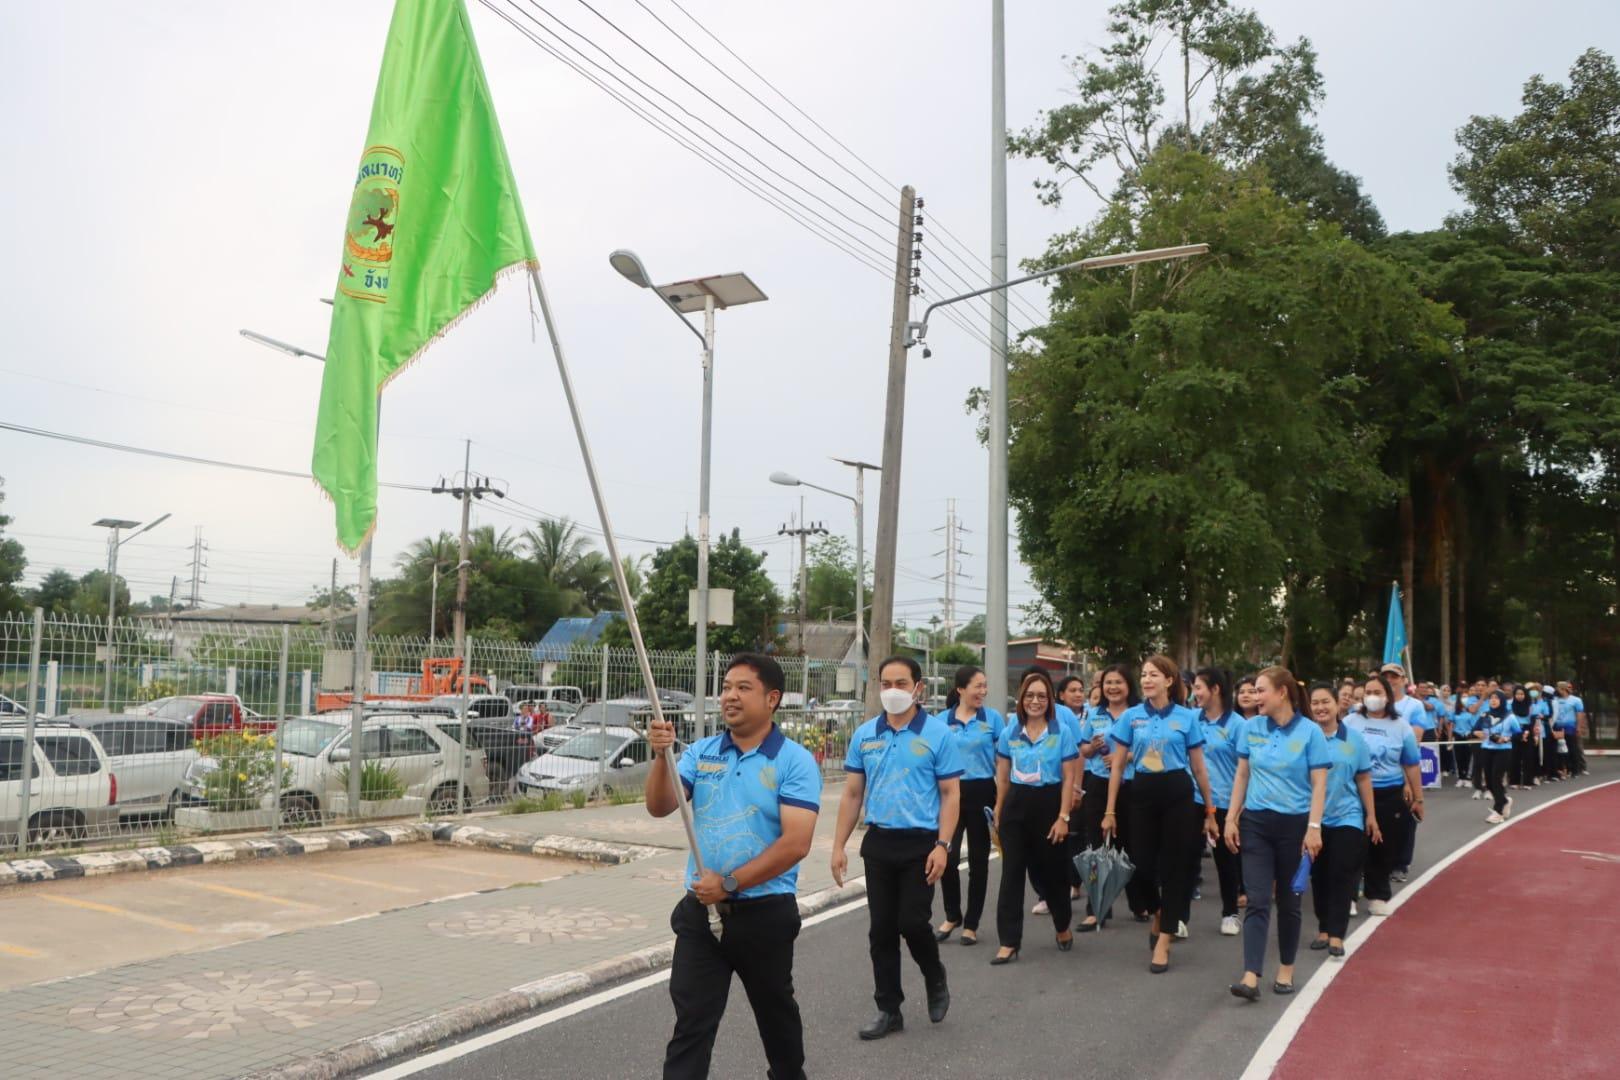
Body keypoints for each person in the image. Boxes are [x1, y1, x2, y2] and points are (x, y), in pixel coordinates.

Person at [645, 654, 821, 1080]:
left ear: (772, 699)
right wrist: (661, 758)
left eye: (743, 688)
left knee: (775, 1016)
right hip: (700, 914)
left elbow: (796, 843)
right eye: (726, 687)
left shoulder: (794, 761)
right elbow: (660, 805)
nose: (730, 696)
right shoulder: (702, 752)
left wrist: (729, 883)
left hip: (765, 914)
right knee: (692, 1022)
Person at [832, 656, 962, 1040]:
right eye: (886, 683)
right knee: (881, 931)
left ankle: (934, 975)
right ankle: (889, 1009)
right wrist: (838, 846)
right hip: (880, 842)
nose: (893, 691)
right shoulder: (865, 735)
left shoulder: (938, 734)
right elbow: (852, 793)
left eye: (901, 683)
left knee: (912, 923)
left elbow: (951, 794)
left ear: (918, 687)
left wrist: (943, 845)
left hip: (922, 843)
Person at [1102, 656, 1217, 974]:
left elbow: (1199, 768)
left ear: (1169, 680)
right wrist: (1110, 810)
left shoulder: (1187, 717)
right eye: (1143, 675)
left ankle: (1165, 939)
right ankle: (1158, 911)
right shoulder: (1131, 717)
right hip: (1141, 793)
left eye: (1153, 674)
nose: (1147, 680)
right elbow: (1117, 766)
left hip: (1178, 794)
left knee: (1176, 868)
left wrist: (1210, 811)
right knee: (1139, 865)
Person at [1224, 667, 1330, 1001]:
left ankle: (1286, 967)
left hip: (1295, 826)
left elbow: (1319, 784)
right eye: (1254, 691)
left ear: (1282, 692)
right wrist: (1230, 818)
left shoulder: (1311, 732)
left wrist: (1314, 828)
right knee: (1257, 899)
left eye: (1261, 690)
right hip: (1256, 823)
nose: (1255, 697)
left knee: (1289, 901)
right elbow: (1242, 775)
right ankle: (1250, 975)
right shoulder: (1251, 728)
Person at [989, 669, 1079, 964]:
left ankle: (1062, 925)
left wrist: (1063, 817)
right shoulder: (1010, 733)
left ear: (1050, 700)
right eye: (1030, 695)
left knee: (1053, 874)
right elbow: (1003, 777)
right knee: (1011, 875)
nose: (1035, 701)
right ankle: (1009, 941)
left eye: (1041, 696)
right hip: (1016, 806)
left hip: (1050, 805)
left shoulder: (1061, 733)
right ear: (1021, 699)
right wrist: (999, 812)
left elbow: (1068, 778)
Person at [1305, 682, 1379, 959]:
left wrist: (1371, 815)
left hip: (1348, 816)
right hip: (1313, 819)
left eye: (1326, 701)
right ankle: (1323, 927)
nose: (1320, 707)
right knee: (1319, 875)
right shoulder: (1306, 737)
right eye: (1315, 703)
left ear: (1338, 704)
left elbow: (1363, 778)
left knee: (1341, 873)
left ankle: (1336, 933)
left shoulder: (1354, 739)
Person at [934, 666, 1003, 947]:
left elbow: (1003, 763)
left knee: (978, 860)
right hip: (950, 794)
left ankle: (972, 924)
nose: (983, 691)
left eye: (985, 686)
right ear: (961, 689)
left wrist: (1001, 803)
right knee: (947, 858)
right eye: (978, 686)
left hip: (982, 792)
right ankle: (953, 915)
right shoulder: (940, 721)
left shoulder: (993, 719)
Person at [1343, 675, 1422, 915]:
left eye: (1377, 692)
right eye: (1368, 692)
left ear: (1388, 696)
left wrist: (1418, 798)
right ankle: (1348, 896)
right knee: (1352, 845)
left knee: (1383, 846)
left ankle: (1378, 895)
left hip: (1389, 794)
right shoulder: (1350, 722)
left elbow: (1411, 763)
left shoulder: (1401, 726)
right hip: (1354, 793)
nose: (1372, 697)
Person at [1075, 663, 1140, 930]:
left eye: (1118, 682)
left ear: (1129, 686)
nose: (1113, 687)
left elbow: (1151, 749)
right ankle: (1096, 907)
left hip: (1132, 785)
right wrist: (1092, 746)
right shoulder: (1095, 714)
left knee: (1132, 845)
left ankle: (1139, 902)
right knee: (1095, 845)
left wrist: (1124, 757)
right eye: (1108, 683)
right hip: (1099, 784)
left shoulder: (1140, 714)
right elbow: (1083, 750)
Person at [1192, 667, 1245, 937]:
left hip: (1225, 801)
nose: (1195, 693)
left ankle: (1230, 913)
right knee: (1185, 859)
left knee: (1226, 861)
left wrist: (1238, 810)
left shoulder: (1238, 725)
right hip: (1192, 799)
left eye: (1199, 687)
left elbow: (1246, 770)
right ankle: (1179, 918)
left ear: (1215, 689)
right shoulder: (1192, 719)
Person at [1474, 690, 1519, 823]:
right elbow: (1475, 729)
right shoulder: (1485, 715)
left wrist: (1505, 739)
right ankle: (1504, 801)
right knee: (1488, 781)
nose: (1493, 700)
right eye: (1491, 698)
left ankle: (1498, 811)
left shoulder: (1509, 716)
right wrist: (1477, 733)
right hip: (1486, 749)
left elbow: (1518, 733)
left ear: (1502, 700)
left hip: (1503, 750)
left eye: (1496, 698)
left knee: (1496, 779)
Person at [1554, 683, 1588, 777]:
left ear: (1563, 689)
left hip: (1570, 726)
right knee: (1560, 749)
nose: (1557, 691)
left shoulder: (1576, 700)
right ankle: (1565, 768)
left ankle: (1575, 769)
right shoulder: (1556, 700)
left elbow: (1579, 714)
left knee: (1572, 748)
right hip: (1558, 726)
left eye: (1559, 689)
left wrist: (1578, 726)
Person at [1509, 686, 1538, 790]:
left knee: (1528, 757)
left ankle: (1528, 782)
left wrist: (1531, 733)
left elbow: (1533, 721)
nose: (1519, 696)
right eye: (1517, 694)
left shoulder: (1531, 706)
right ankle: (1514, 781)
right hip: (1514, 731)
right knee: (1514, 757)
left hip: (1527, 730)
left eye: (1522, 694)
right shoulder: (1510, 706)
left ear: (1525, 695)